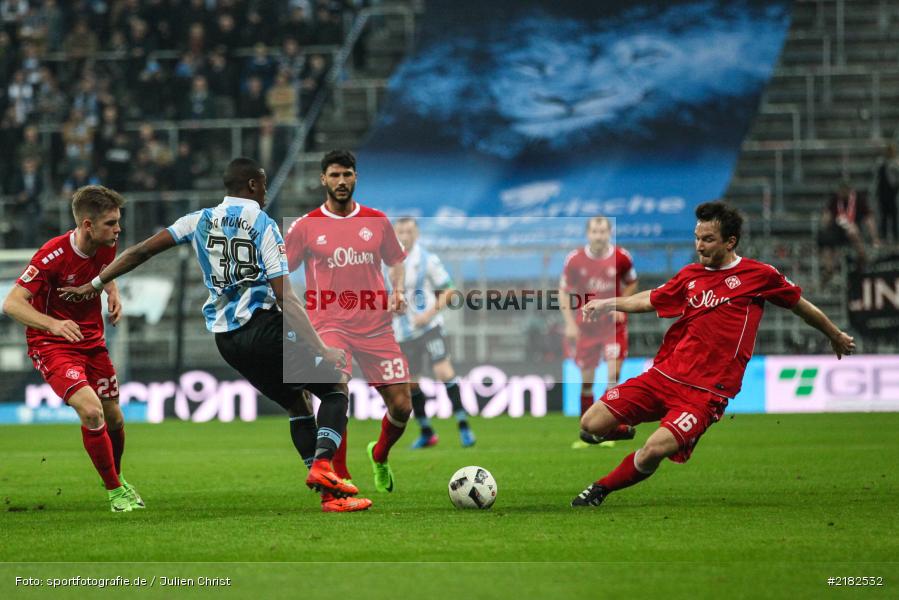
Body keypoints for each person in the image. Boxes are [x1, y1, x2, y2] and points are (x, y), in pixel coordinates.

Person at [60, 158, 371, 513]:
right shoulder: (263, 224)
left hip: (228, 341)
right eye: (264, 185)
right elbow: (285, 295)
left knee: (296, 403)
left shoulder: (199, 219)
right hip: (263, 327)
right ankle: (323, 466)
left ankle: (331, 497)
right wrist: (321, 348)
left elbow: (140, 251)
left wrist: (96, 283)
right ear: (253, 186)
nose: (266, 191)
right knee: (335, 387)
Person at [571, 201, 855, 508]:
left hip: (705, 394)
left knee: (654, 449)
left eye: (707, 239)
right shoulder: (690, 275)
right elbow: (650, 300)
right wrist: (606, 303)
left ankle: (600, 489)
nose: (699, 246)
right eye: (697, 238)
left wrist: (835, 334)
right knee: (590, 424)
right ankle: (622, 429)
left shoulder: (759, 275)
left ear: (729, 242)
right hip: (665, 376)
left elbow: (802, 307)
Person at [2, 185, 141, 513]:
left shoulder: (106, 242)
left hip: (92, 342)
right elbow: (11, 304)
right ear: (88, 226)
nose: (118, 229)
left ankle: (117, 478)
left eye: (118, 222)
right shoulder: (51, 256)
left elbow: (106, 271)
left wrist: (113, 292)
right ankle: (115, 492)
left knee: (115, 418)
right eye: (111, 223)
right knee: (91, 411)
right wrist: (52, 324)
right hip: (52, 344)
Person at [285, 149, 411, 494]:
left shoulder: (376, 221)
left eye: (348, 175)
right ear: (323, 179)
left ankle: (380, 454)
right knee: (336, 391)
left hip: (376, 325)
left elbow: (396, 260)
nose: (342, 182)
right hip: (329, 324)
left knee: (402, 405)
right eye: (335, 175)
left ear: (356, 177)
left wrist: (397, 290)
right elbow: (280, 269)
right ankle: (339, 473)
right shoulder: (306, 227)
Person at [391, 217, 476, 449]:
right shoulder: (385, 262)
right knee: (411, 384)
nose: (405, 235)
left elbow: (449, 291)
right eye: (401, 231)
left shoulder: (427, 259)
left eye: (409, 231)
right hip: (403, 333)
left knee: (443, 371)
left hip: (429, 327)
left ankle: (463, 425)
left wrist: (428, 315)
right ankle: (426, 431)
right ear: (395, 234)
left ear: (416, 233)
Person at [560, 216, 638, 449]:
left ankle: (605, 429)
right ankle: (587, 431)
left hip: (611, 327)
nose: (599, 235)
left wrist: (622, 304)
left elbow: (632, 282)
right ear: (588, 233)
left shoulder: (622, 257)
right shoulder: (575, 260)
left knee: (613, 376)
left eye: (603, 231)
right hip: (586, 327)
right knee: (587, 382)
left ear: (609, 233)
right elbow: (564, 292)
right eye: (595, 231)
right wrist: (570, 324)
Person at [817, 181, 880, 279]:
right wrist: (825, 223)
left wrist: (874, 237)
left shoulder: (859, 199)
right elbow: (827, 215)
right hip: (837, 230)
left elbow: (869, 219)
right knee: (826, 242)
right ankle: (829, 269)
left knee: (852, 231)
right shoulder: (835, 199)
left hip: (854, 229)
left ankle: (862, 257)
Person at [874, 143, 899, 244]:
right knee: (883, 217)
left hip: (893, 194)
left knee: (894, 216)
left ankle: (896, 237)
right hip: (883, 194)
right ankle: (883, 237)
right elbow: (877, 179)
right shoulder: (881, 163)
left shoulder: (896, 163)